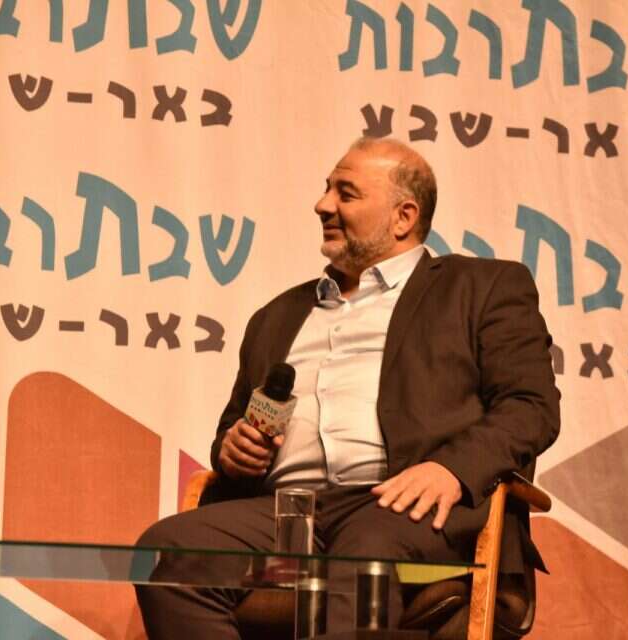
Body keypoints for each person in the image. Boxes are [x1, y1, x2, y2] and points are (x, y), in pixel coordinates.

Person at [135, 137, 560, 639]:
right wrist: (234, 450)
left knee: (359, 558)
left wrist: (450, 469)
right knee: (169, 550)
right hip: (287, 513)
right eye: (326, 190)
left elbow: (531, 407)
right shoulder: (277, 316)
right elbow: (234, 424)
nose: (322, 205)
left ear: (403, 217)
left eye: (346, 193)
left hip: (401, 505)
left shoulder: (481, 288)